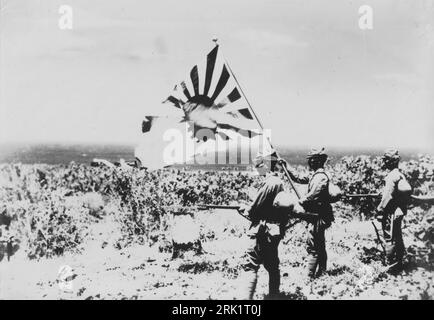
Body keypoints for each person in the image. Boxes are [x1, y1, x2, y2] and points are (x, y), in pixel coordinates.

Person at [238, 153, 287, 300]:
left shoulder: (270, 183)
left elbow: (255, 210)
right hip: (272, 231)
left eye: (259, 166)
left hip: (262, 230)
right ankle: (274, 296)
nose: (258, 169)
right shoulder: (277, 182)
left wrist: (244, 209)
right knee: (272, 266)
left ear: (266, 165)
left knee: (250, 265)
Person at [280, 148, 334, 279]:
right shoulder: (315, 175)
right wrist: (286, 167)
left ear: (316, 161)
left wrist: (299, 203)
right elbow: (298, 178)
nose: (309, 162)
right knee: (320, 244)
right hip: (317, 216)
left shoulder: (320, 177)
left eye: (311, 160)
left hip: (318, 217)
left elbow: (313, 196)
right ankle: (322, 272)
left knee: (313, 246)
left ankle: (309, 277)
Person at [376, 149, 410, 274]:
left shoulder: (391, 177)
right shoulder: (400, 174)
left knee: (389, 238)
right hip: (399, 212)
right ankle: (400, 262)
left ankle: (390, 266)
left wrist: (379, 209)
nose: (384, 162)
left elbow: (387, 197)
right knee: (398, 237)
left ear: (389, 162)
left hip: (391, 212)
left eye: (386, 160)